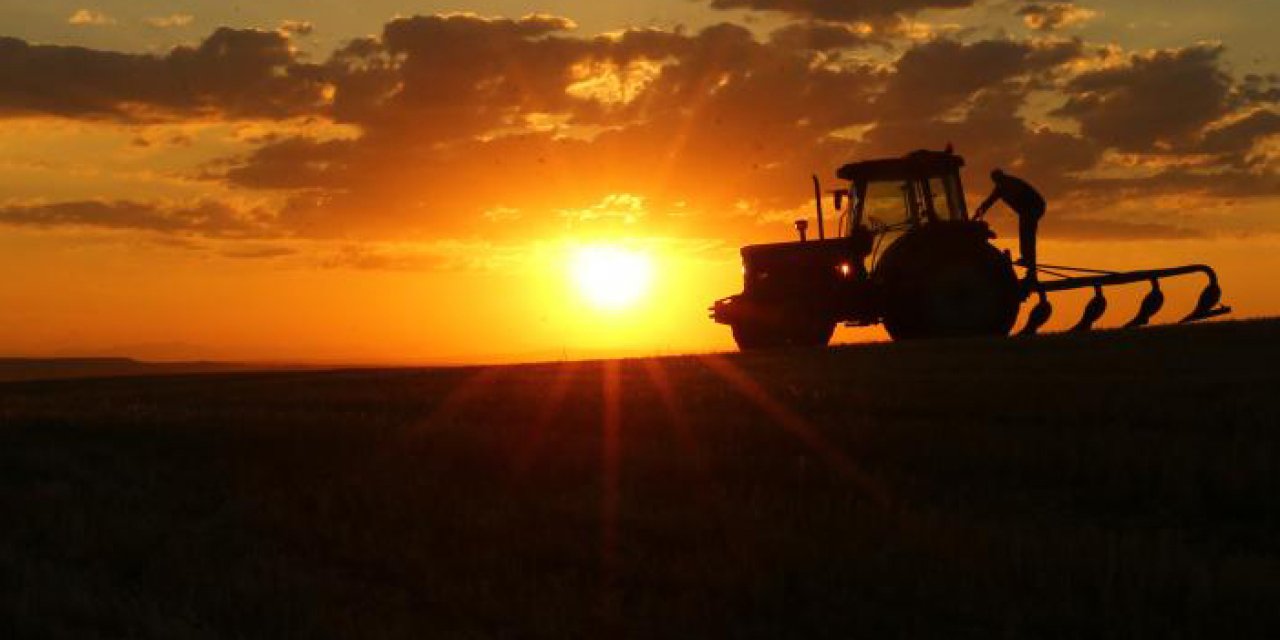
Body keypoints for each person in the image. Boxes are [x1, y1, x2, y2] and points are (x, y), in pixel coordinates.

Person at [973, 169, 1045, 279]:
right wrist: (976, 215)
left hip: (1033, 208)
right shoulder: (1001, 188)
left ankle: (1030, 265)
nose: (998, 183)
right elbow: (988, 202)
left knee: (1027, 235)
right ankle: (1028, 261)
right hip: (1028, 210)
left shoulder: (1010, 183)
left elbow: (1024, 197)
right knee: (1026, 233)